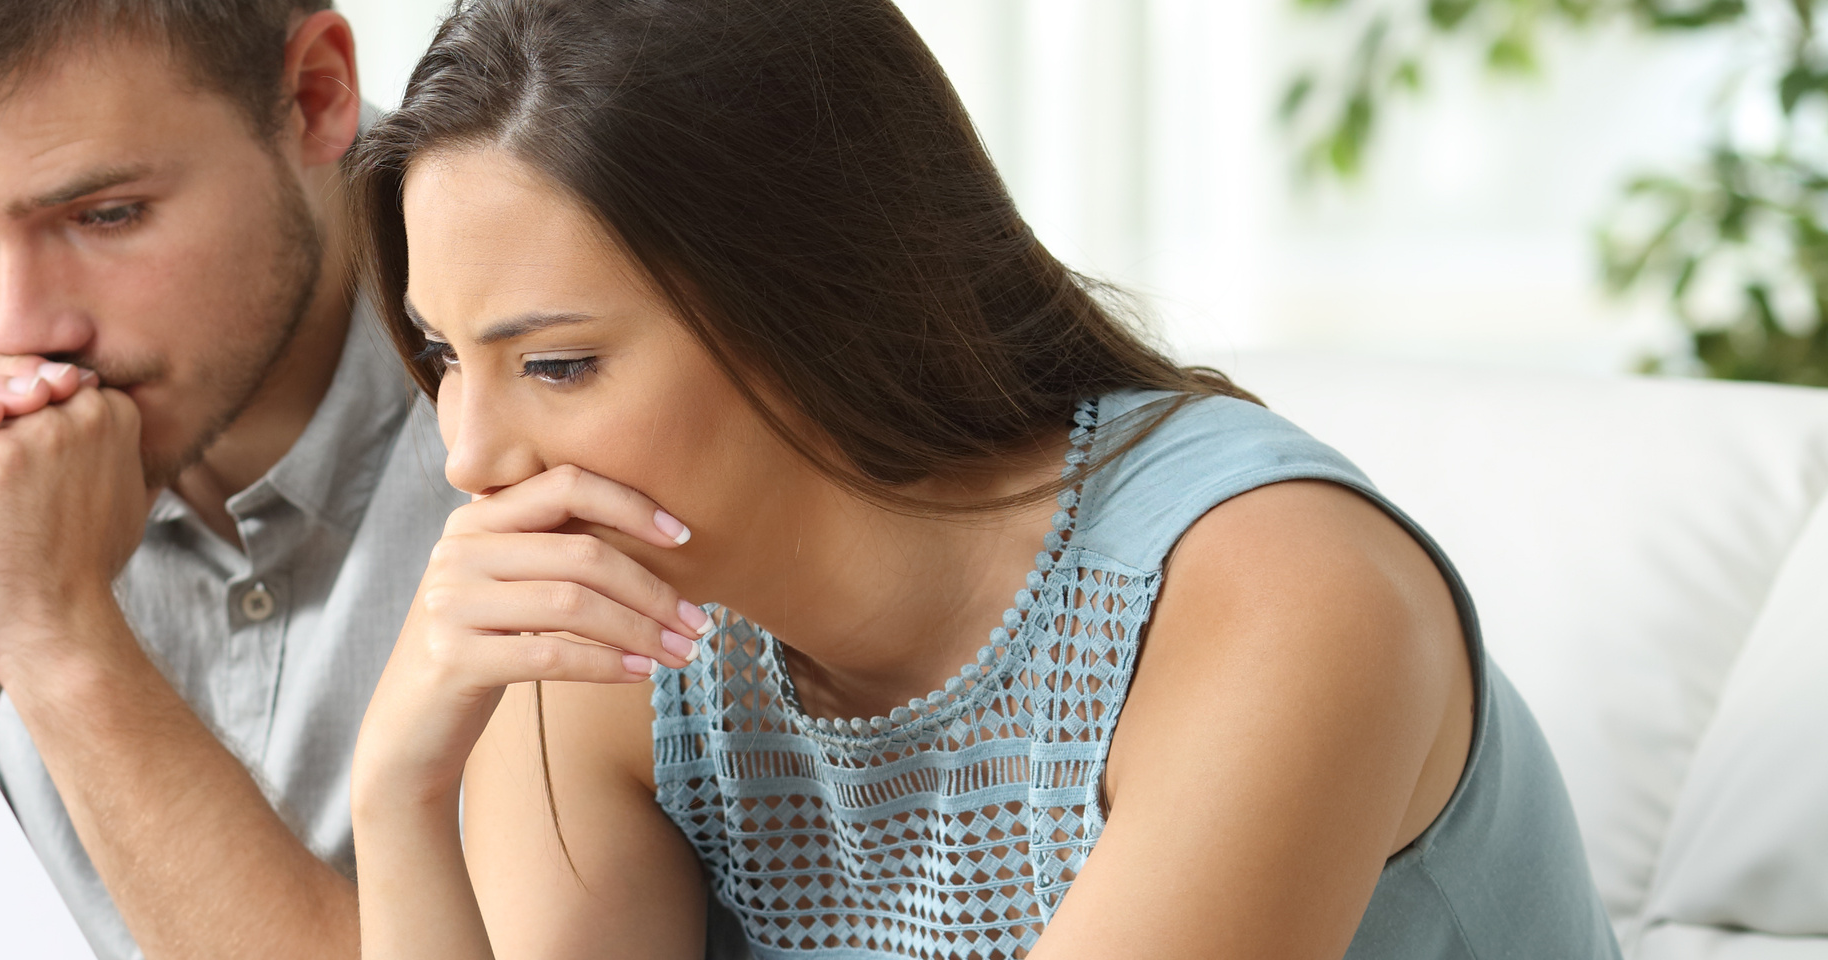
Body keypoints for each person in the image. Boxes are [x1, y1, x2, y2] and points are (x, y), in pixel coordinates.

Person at [339, 1, 1618, 958]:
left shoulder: (1275, 596)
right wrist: (399, 796)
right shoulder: (623, 644)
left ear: (821, 307)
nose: (470, 458)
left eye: (558, 363)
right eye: (447, 355)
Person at [0, 1, 450, 957]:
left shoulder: (558, 348)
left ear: (313, 95)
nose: (14, 328)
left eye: (105, 215)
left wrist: (57, 640)